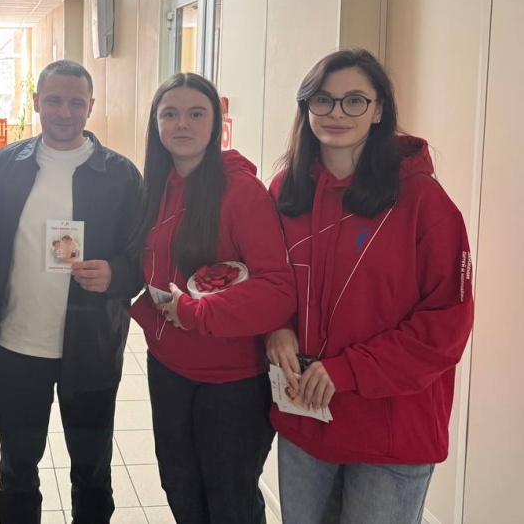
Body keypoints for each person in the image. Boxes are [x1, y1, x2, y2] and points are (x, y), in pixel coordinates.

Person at [169, 49, 474, 523]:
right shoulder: (284, 192)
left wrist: (347, 371)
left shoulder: (422, 201)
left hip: (391, 428)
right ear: (306, 107)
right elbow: (264, 285)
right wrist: (276, 328)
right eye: (323, 100)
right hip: (306, 420)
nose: (336, 113)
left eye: (355, 100)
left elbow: (446, 327)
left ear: (379, 110)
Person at [127, 72, 292, 524]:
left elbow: (277, 289)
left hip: (231, 381)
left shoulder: (242, 192)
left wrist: (198, 313)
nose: (182, 124)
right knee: (180, 487)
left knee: (229, 501)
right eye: (170, 114)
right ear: (156, 123)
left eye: (196, 113)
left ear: (217, 123)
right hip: (168, 368)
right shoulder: (155, 188)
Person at [0, 59, 142, 524]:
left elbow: (143, 259)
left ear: (91, 106)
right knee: (17, 469)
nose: (64, 112)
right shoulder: (4, 166)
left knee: (92, 471)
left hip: (92, 349)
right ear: (36, 102)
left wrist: (115, 274)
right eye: (54, 100)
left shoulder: (121, 176)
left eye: (76, 102)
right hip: (17, 346)